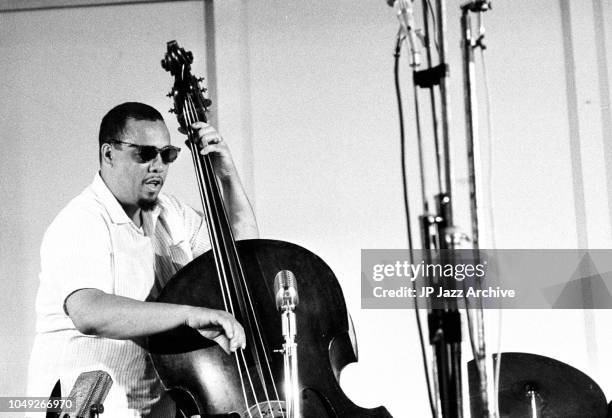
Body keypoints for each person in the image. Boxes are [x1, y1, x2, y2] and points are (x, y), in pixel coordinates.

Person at [27, 102, 258, 417]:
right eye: (145, 154)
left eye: (167, 155)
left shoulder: (172, 214)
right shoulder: (82, 220)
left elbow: (240, 263)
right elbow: (89, 312)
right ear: (109, 154)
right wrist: (188, 314)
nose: (159, 165)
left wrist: (227, 174)